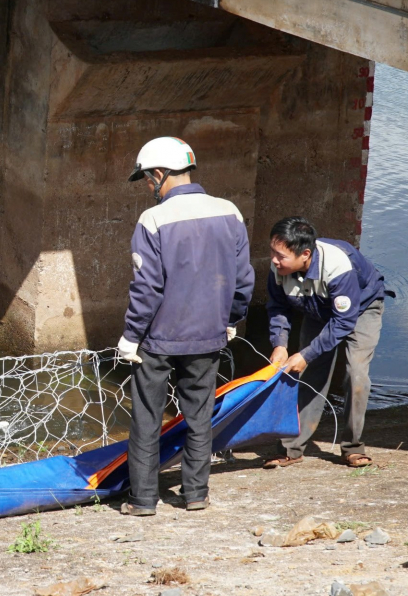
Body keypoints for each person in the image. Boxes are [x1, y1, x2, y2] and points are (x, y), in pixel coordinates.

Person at [117, 137, 254, 516]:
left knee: (147, 417)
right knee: (199, 416)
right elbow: (242, 279)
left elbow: (147, 288)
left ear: (160, 174)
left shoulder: (153, 219)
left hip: (158, 339)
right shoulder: (230, 212)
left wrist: (130, 336)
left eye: (147, 179)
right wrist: (229, 320)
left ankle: (143, 500)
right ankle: (196, 494)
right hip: (208, 335)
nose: (148, 187)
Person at [263, 217, 385, 469]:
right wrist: (280, 344)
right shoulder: (279, 269)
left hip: (358, 309)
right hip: (317, 307)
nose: (274, 260)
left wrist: (305, 354)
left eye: (281, 256)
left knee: (356, 372)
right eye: (272, 252)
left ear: (305, 254)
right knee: (307, 373)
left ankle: (353, 447)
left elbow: (343, 322)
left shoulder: (338, 267)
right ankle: (292, 448)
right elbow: (277, 307)